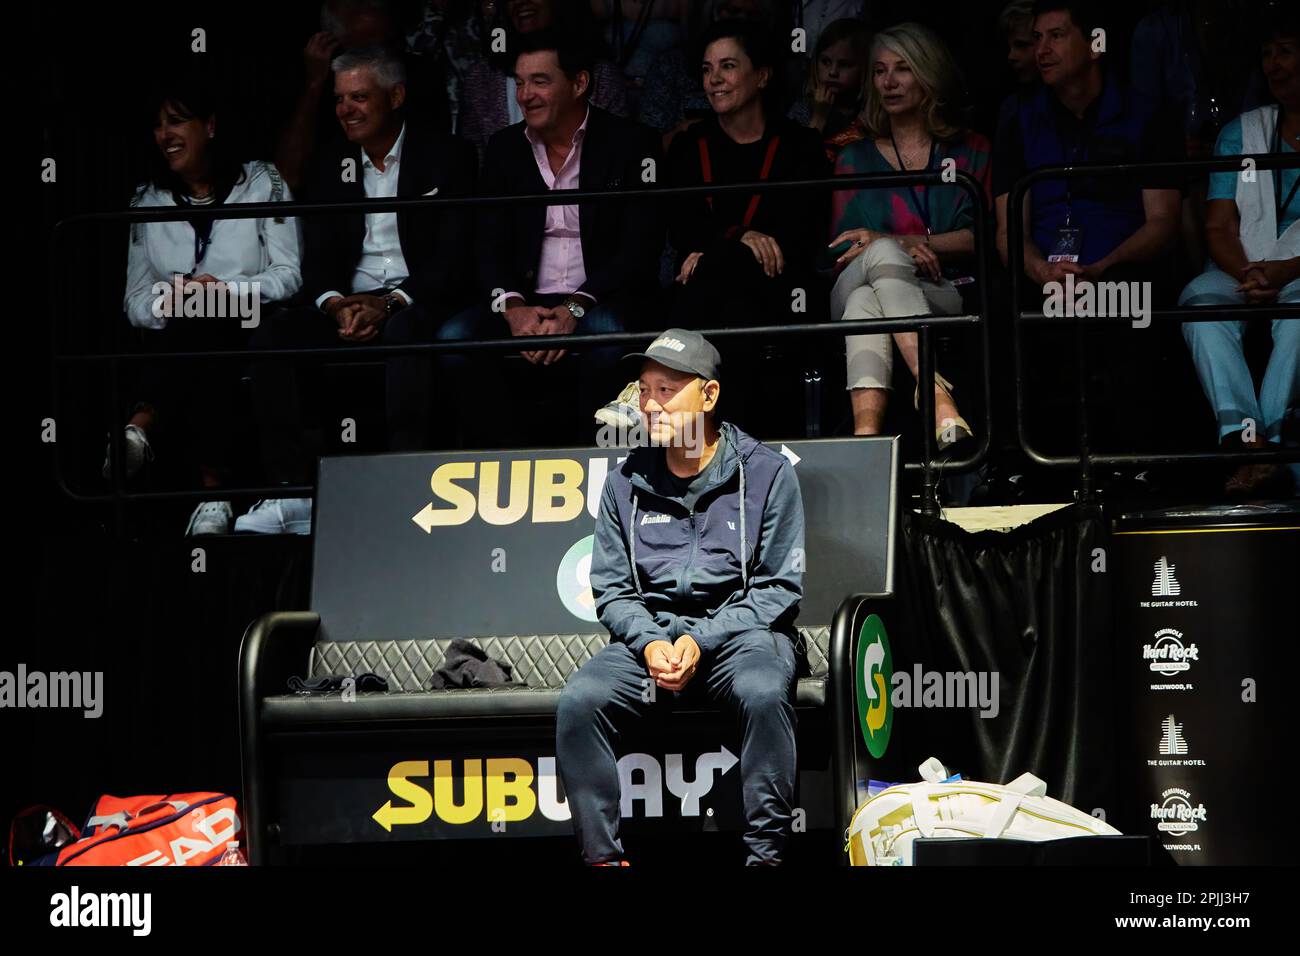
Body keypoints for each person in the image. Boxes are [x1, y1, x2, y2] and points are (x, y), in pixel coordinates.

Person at [556, 328, 805, 866]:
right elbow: (614, 590)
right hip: (654, 641)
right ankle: (602, 858)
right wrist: (649, 643)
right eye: (644, 391)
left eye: (667, 389)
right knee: (580, 701)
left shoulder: (767, 473)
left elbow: (778, 589)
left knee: (763, 691)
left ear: (709, 396)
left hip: (742, 634)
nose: (650, 404)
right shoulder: (625, 481)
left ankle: (766, 857)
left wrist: (702, 636)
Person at [246, 47, 476, 532]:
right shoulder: (329, 165)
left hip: (416, 300)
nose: (346, 109)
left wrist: (390, 302)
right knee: (271, 338)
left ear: (395, 96)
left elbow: (455, 258)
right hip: (349, 305)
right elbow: (317, 262)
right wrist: (335, 307)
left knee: (408, 330)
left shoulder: (447, 155)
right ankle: (290, 493)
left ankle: (402, 486)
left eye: (359, 97)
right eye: (340, 99)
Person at [440, 32, 663, 448]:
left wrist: (574, 306)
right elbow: (486, 244)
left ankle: (590, 464)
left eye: (540, 81)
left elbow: (639, 251)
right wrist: (513, 307)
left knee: (607, 332)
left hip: (600, 296)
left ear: (579, 83)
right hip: (526, 298)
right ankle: (502, 462)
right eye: (520, 83)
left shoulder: (632, 143)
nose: (526, 95)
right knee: (455, 337)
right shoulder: (504, 148)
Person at [116, 79, 301, 535]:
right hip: (183, 334)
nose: (165, 134)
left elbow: (289, 275)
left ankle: (143, 425)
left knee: (204, 316)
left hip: (254, 321)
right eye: (157, 126)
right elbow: (134, 301)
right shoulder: (146, 200)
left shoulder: (262, 180)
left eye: (176, 121)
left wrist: (225, 291)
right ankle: (212, 494)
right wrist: (174, 300)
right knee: (194, 322)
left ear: (211, 125)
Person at [827, 22, 989, 445]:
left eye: (902, 69)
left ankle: (865, 440)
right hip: (851, 280)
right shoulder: (853, 158)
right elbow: (845, 250)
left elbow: (983, 237)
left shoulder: (972, 150)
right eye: (879, 71)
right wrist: (895, 249)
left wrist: (899, 242)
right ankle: (935, 393)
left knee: (869, 300)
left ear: (928, 74)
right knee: (873, 268)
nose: (889, 82)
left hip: (941, 288)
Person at [1178, 10, 1300, 498]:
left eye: (1286, 51)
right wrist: (1250, 271)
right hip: (1240, 267)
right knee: (1200, 306)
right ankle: (1247, 440)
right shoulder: (1242, 132)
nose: (1274, 64)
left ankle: (1269, 444)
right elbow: (1218, 224)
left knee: (1297, 318)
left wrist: (1282, 272)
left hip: (1294, 272)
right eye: (1267, 54)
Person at [275, 0, 452, 193]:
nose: (383, 59)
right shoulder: (320, 82)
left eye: (390, 44)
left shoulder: (419, 75)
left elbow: (438, 163)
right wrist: (314, 84)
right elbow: (287, 178)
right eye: (369, 53)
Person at [458, 0, 628, 158]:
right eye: (519, 83)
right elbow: (476, 167)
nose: (520, 2)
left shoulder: (601, 76)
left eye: (539, 82)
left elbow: (616, 158)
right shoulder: (481, 77)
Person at [787, 17, 870, 146]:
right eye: (825, 62)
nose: (832, 72)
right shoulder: (803, 109)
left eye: (844, 64)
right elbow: (795, 159)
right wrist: (819, 117)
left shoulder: (872, 112)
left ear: (865, 68)